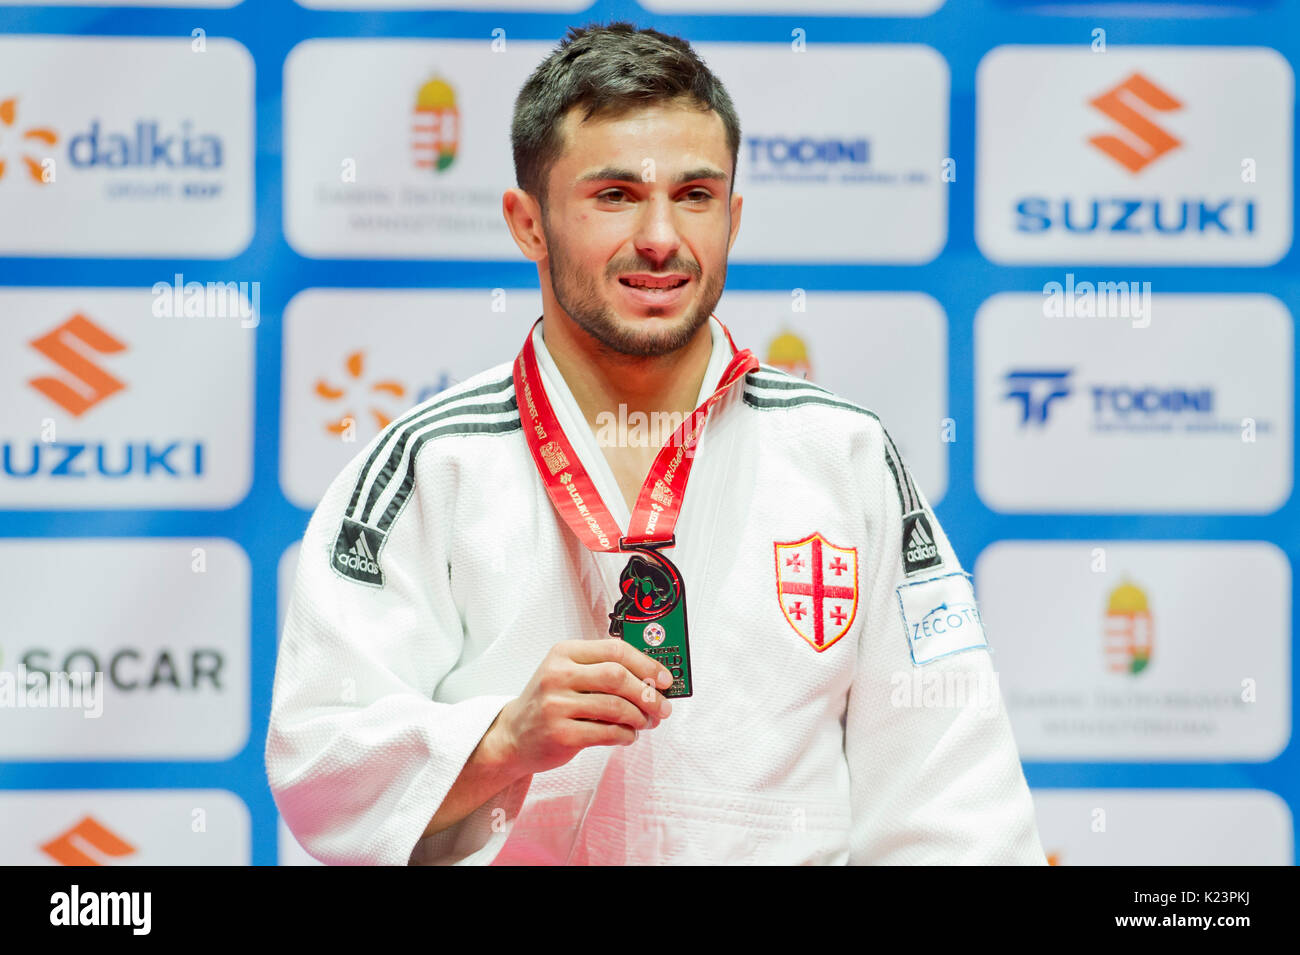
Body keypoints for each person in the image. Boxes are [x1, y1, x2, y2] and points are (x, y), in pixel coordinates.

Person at [266, 21, 1046, 865]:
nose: (662, 238)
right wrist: (501, 737)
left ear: (734, 217)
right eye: (615, 196)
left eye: (695, 195)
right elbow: (318, 758)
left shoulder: (842, 454)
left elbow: (950, 784)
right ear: (527, 223)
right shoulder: (430, 465)